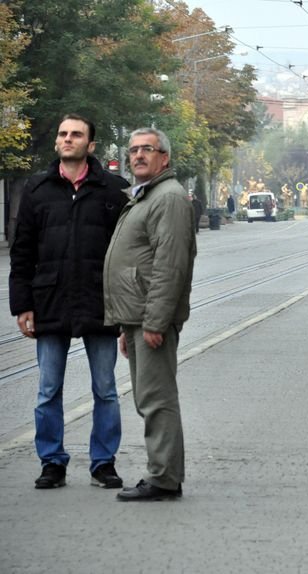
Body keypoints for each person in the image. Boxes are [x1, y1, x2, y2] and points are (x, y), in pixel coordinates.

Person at [9, 113, 129, 490]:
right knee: (48, 390)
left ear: (90, 145)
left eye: (76, 134)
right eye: (63, 133)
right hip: (50, 299)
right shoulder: (37, 189)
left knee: (105, 389)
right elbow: (22, 251)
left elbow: (127, 255)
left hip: (100, 301)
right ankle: (52, 462)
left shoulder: (113, 190)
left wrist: (128, 309)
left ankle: (103, 463)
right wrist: (22, 305)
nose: (67, 139)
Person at [104, 127, 197, 501]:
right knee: (148, 397)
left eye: (148, 149)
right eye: (133, 150)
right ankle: (163, 474)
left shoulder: (168, 197)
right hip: (138, 316)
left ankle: (164, 478)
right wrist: (127, 326)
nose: (138, 155)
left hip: (150, 317)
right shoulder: (146, 195)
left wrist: (155, 321)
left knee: (157, 399)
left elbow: (169, 265)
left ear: (165, 157)